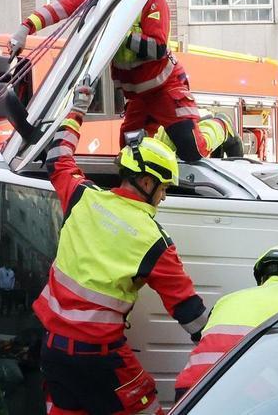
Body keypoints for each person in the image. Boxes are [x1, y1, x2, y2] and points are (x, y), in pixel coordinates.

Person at [35, 86, 207, 415]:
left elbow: (56, 157)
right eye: (164, 188)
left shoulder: (83, 197)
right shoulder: (154, 240)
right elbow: (189, 312)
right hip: (100, 359)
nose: (164, 197)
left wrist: (78, 110)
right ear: (146, 182)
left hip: (53, 351)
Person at [8, 0, 230, 162]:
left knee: (192, 150)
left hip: (166, 90)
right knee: (130, 159)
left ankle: (222, 125)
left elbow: (157, 48)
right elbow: (63, 7)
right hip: (137, 99)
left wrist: (117, 33)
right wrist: (26, 28)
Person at [173, 244, 278, 400]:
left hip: (189, 392)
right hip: (245, 392)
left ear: (261, 276)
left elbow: (206, 342)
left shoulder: (225, 300)